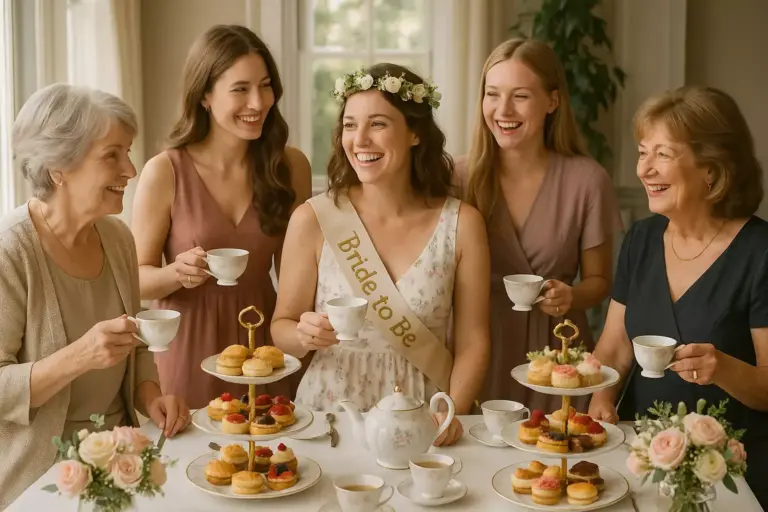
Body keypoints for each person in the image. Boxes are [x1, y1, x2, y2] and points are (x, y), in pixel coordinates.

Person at [271, 63, 491, 445]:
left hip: (422, 412)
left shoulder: (463, 224)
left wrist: (453, 408)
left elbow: (474, 340)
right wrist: (303, 334)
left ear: (415, 133)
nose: (360, 140)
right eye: (351, 125)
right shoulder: (313, 219)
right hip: (330, 413)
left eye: (377, 124)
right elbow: (282, 329)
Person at [0, 83, 189, 509]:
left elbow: (135, 343)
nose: (131, 169)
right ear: (58, 168)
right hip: (40, 479)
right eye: (113, 155)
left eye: (128, 152)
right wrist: (80, 355)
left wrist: (150, 396)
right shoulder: (10, 252)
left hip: (123, 461)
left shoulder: (116, 237)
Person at [588, 86, 768, 508]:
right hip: (640, 462)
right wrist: (600, 398)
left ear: (712, 168)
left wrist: (721, 368)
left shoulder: (760, 252)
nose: (644, 170)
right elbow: (614, 346)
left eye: (663, 155)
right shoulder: (641, 239)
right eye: (642, 152)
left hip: (732, 474)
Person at [132, 25, 312, 408]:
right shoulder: (165, 171)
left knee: (269, 457)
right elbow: (136, 279)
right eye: (240, 89)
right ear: (205, 97)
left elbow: (301, 274)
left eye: (265, 86)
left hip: (265, 346)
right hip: (186, 345)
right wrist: (174, 273)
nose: (258, 102)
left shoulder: (291, 166)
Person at [457, 39, 622, 413]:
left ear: (552, 101)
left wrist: (570, 296)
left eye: (520, 96)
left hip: (557, 353)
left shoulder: (587, 180)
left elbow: (600, 282)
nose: (503, 110)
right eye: (492, 94)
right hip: (475, 347)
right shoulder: (456, 177)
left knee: (556, 462)